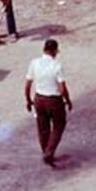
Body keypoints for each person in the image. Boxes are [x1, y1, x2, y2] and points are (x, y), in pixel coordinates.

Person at [24, 38, 72, 167]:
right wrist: (68, 100)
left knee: (43, 128)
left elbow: (28, 84)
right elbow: (63, 88)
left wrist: (28, 100)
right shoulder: (57, 65)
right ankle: (49, 152)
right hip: (54, 100)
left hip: (39, 99)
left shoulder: (34, 63)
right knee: (58, 126)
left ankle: (45, 150)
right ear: (54, 51)